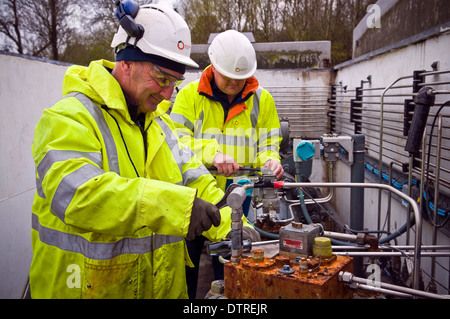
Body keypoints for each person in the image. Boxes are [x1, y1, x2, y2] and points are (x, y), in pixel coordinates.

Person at [29, 3, 242, 299]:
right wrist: (176, 208)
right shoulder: (68, 118)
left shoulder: (160, 126)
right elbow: (77, 196)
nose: (168, 94)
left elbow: (197, 181)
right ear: (126, 63)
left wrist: (236, 227)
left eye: (175, 83)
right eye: (162, 78)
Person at [170, 29, 283, 298]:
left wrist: (270, 159)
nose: (235, 83)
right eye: (229, 77)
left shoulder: (262, 100)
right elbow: (175, 141)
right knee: (187, 262)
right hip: (194, 196)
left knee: (233, 261)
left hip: (238, 195)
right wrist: (212, 153)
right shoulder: (188, 96)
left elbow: (268, 142)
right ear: (213, 66)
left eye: (240, 78)